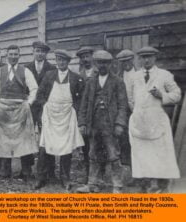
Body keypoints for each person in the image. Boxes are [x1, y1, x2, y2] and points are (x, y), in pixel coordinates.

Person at [128, 46, 181, 193]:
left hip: (157, 120)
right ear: (139, 59)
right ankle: (145, 185)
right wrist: (138, 112)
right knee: (142, 154)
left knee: (158, 153)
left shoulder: (164, 75)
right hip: (139, 121)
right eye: (143, 57)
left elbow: (177, 95)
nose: (146, 60)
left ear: (155, 58)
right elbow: (130, 98)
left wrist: (162, 95)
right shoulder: (135, 77)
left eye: (149, 57)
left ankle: (158, 185)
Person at [77, 50, 128, 193]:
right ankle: (93, 183)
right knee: (93, 154)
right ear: (95, 64)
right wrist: (82, 123)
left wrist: (119, 124)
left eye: (105, 62)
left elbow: (123, 105)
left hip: (110, 124)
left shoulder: (118, 82)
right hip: (93, 124)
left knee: (113, 154)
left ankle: (117, 185)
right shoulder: (91, 82)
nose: (102, 65)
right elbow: (84, 104)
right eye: (99, 62)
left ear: (110, 64)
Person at [34, 49, 85, 190]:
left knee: (66, 148)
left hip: (67, 116)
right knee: (44, 147)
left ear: (68, 62)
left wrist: (75, 110)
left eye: (63, 60)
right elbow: (40, 95)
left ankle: (65, 178)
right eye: (58, 60)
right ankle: (41, 178)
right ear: (56, 61)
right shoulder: (49, 76)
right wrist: (45, 107)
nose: (61, 62)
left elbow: (81, 98)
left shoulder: (76, 78)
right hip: (50, 116)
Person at [0, 44, 38, 181]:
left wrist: (29, 103)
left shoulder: (25, 71)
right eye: (11, 54)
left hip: (20, 107)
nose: (13, 57)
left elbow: (34, 88)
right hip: (3, 107)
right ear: (6, 55)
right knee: (3, 138)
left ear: (19, 56)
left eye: (16, 54)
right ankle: (5, 171)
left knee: (24, 138)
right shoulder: (0, 71)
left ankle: (26, 171)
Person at [25, 41, 57, 180]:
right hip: (30, 107)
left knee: (47, 136)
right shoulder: (26, 68)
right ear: (33, 52)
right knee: (26, 135)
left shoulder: (51, 68)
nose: (40, 53)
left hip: (44, 107)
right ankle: (26, 169)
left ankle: (50, 170)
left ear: (46, 54)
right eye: (37, 51)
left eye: (42, 51)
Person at [76, 46, 95, 185]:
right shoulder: (79, 75)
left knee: (99, 144)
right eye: (83, 57)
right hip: (84, 114)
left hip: (97, 113)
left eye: (87, 56)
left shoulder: (99, 72)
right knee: (86, 144)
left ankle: (98, 174)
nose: (85, 59)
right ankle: (87, 173)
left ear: (92, 57)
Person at [116, 49, 137, 166]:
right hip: (124, 112)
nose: (126, 64)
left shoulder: (140, 74)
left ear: (132, 60)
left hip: (137, 111)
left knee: (138, 138)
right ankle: (126, 166)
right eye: (123, 62)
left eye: (128, 61)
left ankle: (140, 166)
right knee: (124, 139)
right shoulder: (118, 76)